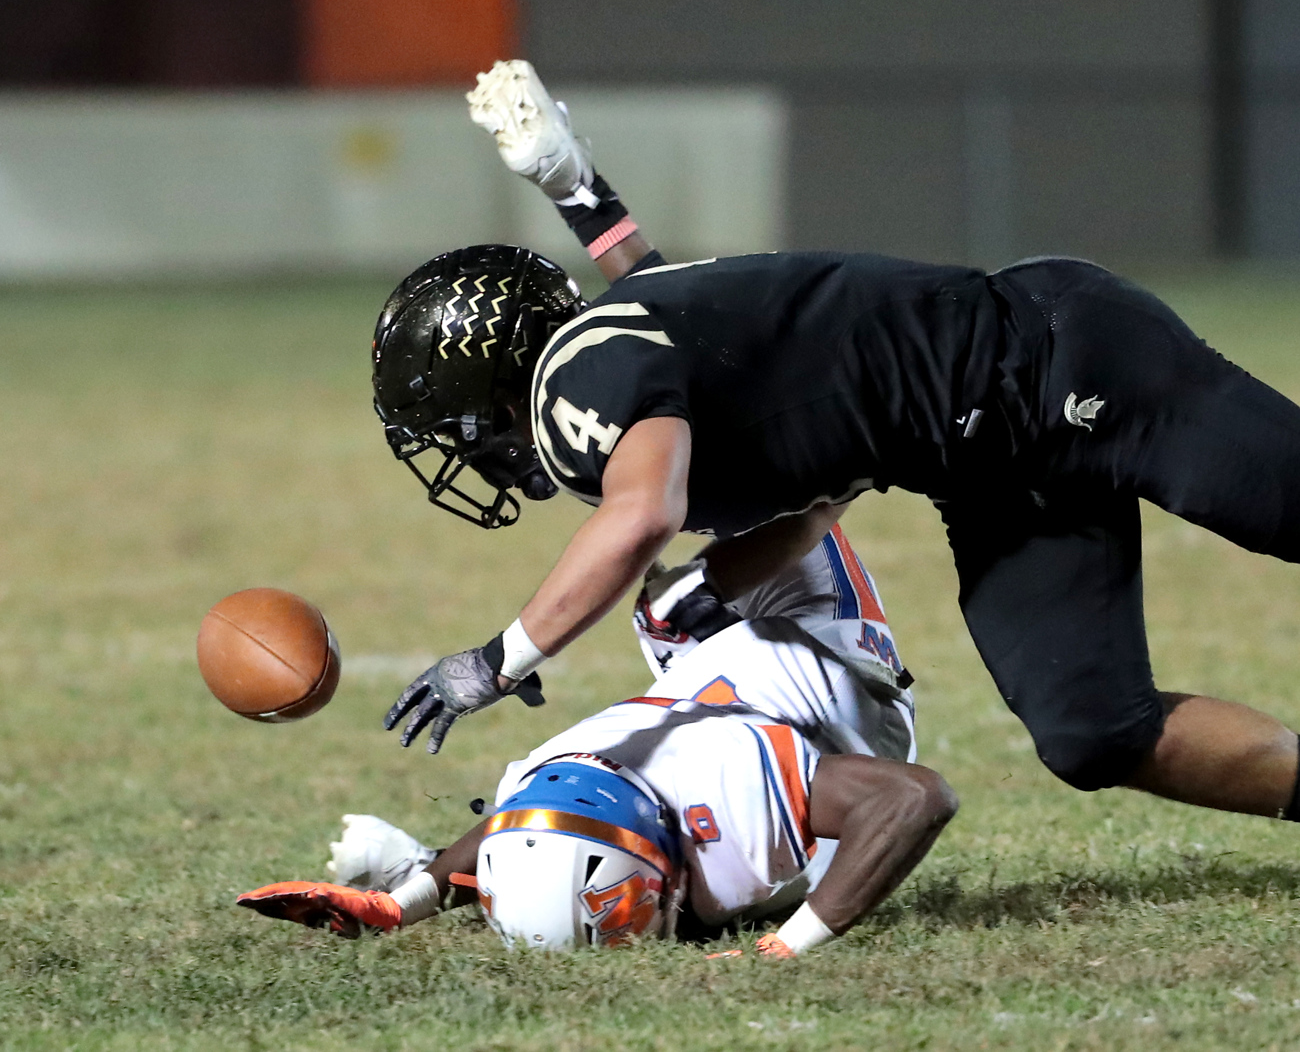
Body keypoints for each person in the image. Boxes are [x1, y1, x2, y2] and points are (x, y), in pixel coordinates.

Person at [373, 60, 1300, 830]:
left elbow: (641, 516)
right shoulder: (638, 343)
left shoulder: (579, 378)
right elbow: (813, 497)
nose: (466, 453)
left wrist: (497, 660)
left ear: (494, 380)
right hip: (989, 470)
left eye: (450, 423)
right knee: (1091, 732)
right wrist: (574, 186)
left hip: (1064, 364)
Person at [237, 531, 956, 954]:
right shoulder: (711, 803)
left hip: (807, 668)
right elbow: (911, 798)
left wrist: (406, 902)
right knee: (678, 600)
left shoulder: (719, 788)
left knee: (724, 552)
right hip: (825, 716)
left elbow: (522, 825)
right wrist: (790, 946)